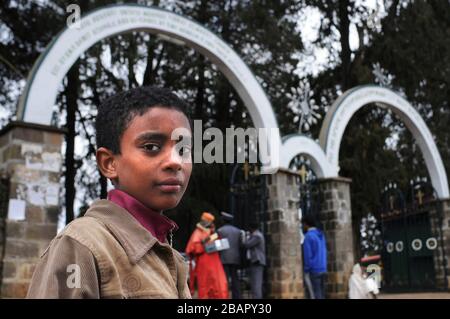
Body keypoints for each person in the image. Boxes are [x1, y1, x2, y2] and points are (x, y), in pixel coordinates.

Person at [27, 86, 193, 298]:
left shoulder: (170, 255)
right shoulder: (81, 245)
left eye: (184, 150)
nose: (175, 162)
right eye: (151, 147)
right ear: (109, 163)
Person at [185, 212, 229, 299]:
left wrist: (213, 235)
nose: (211, 224)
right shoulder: (197, 232)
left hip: (215, 263)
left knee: (219, 284)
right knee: (205, 285)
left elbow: (218, 242)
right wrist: (204, 244)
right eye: (209, 222)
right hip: (204, 263)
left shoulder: (212, 233)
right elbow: (193, 248)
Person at [217, 211, 242, 299]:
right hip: (235, 258)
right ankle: (237, 297)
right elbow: (241, 245)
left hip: (224, 258)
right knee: (235, 279)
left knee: (224, 279)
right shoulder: (238, 231)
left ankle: (225, 296)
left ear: (224, 220)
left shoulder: (220, 231)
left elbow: (218, 245)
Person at [302, 214, 327, 299]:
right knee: (321, 293)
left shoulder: (308, 236)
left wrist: (306, 269)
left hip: (314, 270)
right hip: (323, 268)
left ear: (306, 224)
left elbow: (308, 256)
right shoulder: (321, 235)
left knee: (314, 294)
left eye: (303, 224)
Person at [243, 221, 266, 299]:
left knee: (256, 284)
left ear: (251, 228)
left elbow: (247, 245)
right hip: (255, 261)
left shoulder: (257, 236)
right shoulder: (256, 235)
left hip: (257, 261)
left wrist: (245, 237)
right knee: (255, 283)